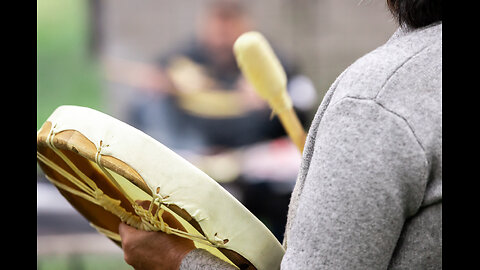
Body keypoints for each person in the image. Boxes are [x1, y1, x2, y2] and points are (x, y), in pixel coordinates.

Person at [118, 0, 442, 269]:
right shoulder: (184, 59)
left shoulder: (374, 99)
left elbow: (296, 104)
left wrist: (176, 260)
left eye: (229, 23)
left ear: (244, 24)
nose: (220, 33)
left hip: (257, 172)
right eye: (215, 22)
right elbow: (156, 116)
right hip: (202, 160)